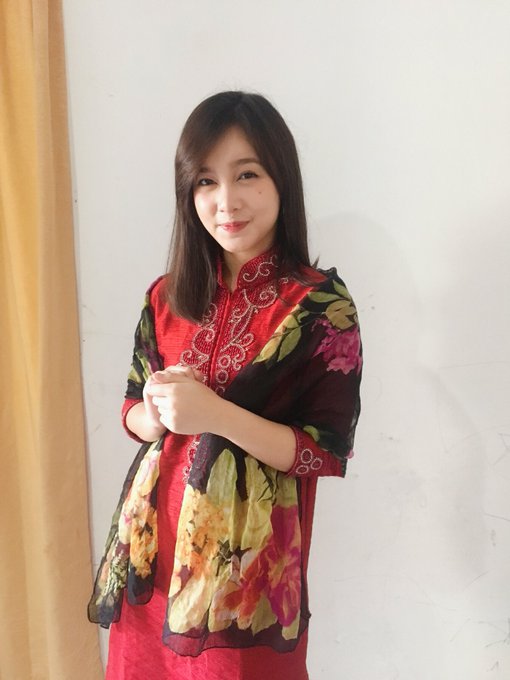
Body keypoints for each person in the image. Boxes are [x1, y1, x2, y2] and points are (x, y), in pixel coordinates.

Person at [88, 91, 363, 680]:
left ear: (281, 179)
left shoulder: (319, 306)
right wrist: (155, 411)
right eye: (206, 181)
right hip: (153, 552)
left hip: (246, 573)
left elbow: (324, 451)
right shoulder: (167, 296)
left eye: (247, 175)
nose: (226, 201)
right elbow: (132, 410)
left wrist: (213, 413)